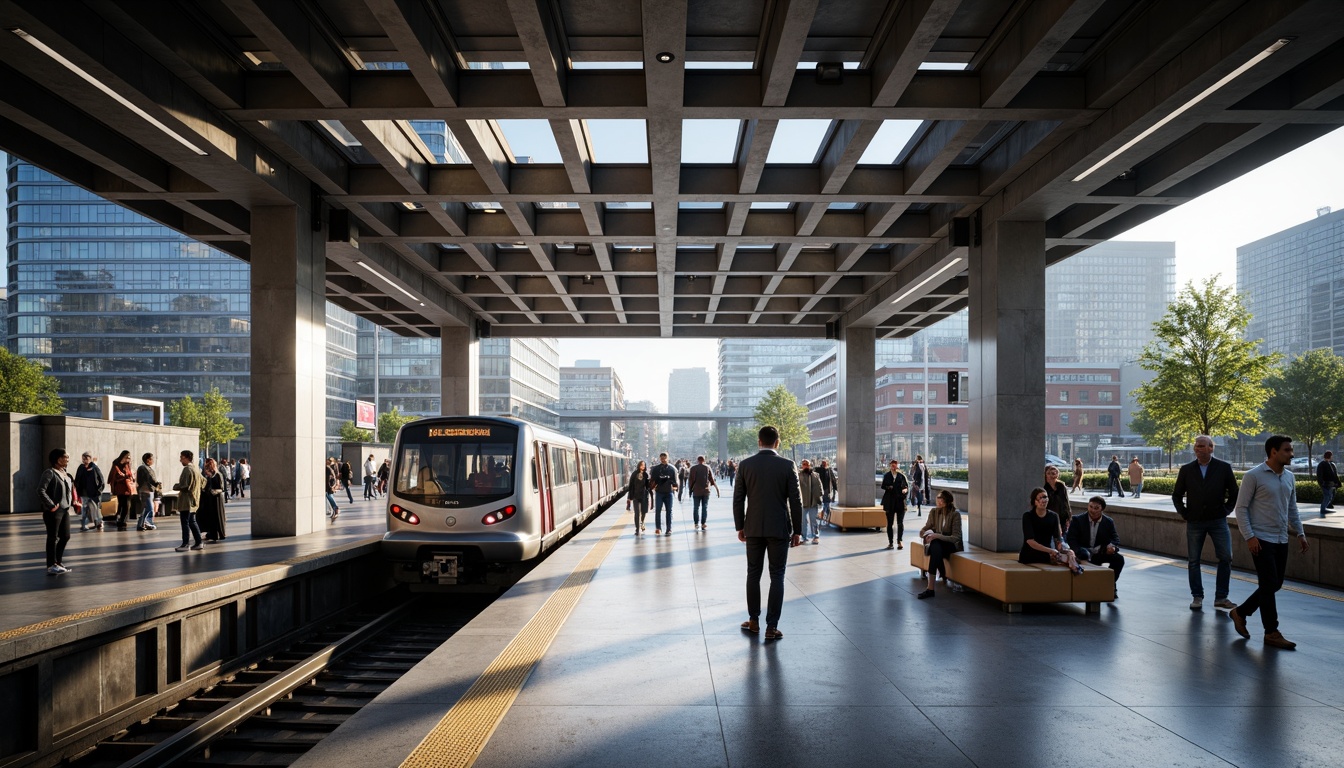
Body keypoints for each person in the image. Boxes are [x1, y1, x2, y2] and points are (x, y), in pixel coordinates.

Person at [1229, 435, 1310, 649]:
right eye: (1287, 450)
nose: (1291, 454)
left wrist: (1300, 533)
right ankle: (1271, 631)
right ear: (1273, 452)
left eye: (1291, 450)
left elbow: (1292, 508)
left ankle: (1241, 612)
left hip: (1281, 538)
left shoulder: (1289, 477)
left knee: (1275, 584)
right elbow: (1241, 508)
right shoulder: (1253, 476)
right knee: (1268, 584)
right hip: (1261, 539)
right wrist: (1250, 537)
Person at [734, 425, 803, 641]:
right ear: (778, 442)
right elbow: (796, 500)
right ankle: (772, 627)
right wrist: (798, 530)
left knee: (753, 574)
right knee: (777, 576)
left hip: (753, 528)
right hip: (779, 528)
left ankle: (753, 621)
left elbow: (738, 499)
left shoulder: (745, 465)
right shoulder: (787, 465)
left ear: (758, 441)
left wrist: (740, 526)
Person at [1172, 435, 1238, 611]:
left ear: (1211, 448)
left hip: (1218, 520)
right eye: (1196, 446)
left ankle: (1221, 597)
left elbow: (1234, 493)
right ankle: (1197, 596)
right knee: (1193, 560)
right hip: (1194, 521)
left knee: (1226, 557)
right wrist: (1185, 513)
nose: (1197, 449)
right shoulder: (1186, 469)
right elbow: (1177, 495)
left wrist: (1226, 510)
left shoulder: (1224, 468)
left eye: (1201, 446)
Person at [1067, 497, 1124, 594]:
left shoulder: (1108, 521)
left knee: (1119, 559)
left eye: (1096, 508)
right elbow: (1071, 539)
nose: (1092, 510)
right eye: (1090, 507)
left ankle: (1110, 583)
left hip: (1099, 552)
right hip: (1082, 553)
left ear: (1102, 509)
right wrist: (1077, 551)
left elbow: (1115, 538)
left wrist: (1112, 546)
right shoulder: (1077, 520)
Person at [1019, 486, 1082, 573]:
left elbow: (1057, 539)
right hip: (1031, 553)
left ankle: (1073, 565)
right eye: (1041, 498)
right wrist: (1051, 550)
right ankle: (1073, 565)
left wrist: (1066, 551)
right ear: (1035, 501)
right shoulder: (1028, 516)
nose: (1044, 500)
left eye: (1045, 497)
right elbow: (1030, 541)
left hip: (1048, 553)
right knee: (1059, 557)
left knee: (1071, 554)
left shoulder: (1053, 516)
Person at [917, 489, 963, 598]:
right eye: (938, 498)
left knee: (935, 544)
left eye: (941, 499)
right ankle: (930, 588)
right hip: (937, 545)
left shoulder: (955, 514)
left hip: (950, 545)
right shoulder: (934, 512)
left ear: (947, 501)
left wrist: (937, 536)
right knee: (935, 546)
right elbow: (924, 530)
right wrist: (926, 535)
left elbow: (956, 538)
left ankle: (932, 587)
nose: (938, 501)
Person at [38, 448, 75, 574]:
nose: (68, 459)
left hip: (65, 510)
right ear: (58, 459)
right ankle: (51, 565)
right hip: (54, 510)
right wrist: (51, 504)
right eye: (66, 457)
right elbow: (40, 490)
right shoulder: (50, 473)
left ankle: (58, 562)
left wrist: (73, 502)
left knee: (65, 536)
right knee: (52, 537)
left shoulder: (66, 474)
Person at [172, 450, 204, 552]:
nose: (180, 460)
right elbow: (204, 482)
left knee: (185, 522)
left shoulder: (187, 469)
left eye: (181, 457)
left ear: (186, 458)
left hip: (186, 500)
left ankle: (185, 544)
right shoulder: (196, 469)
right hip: (194, 500)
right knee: (192, 521)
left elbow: (184, 485)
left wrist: (176, 486)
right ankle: (199, 542)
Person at [880, 460, 910, 550]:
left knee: (900, 523)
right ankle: (891, 542)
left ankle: (899, 541)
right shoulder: (887, 476)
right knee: (890, 523)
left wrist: (905, 490)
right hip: (889, 502)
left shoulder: (901, 476)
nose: (894, 467)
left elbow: (906, 487)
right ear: (890, 466)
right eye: (892, 466)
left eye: (895, 465)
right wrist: (888, 487)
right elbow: (883, 486)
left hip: (900, 501)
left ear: (897, 466)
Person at [74, 451, 105, 532]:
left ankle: (99, 522)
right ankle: (84, 525)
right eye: (83, 459)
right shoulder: (81, 468)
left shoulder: (95, 468)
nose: (85, 460)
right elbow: (77, 479)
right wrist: (77, 488)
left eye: (87, 458)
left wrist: (99, 491)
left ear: (90, 459)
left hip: (94, 493)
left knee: (96, 508)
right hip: (84, 492)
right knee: (85, 508)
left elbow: (101, 480)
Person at [198, 458, 228, 542]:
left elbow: (221, 488)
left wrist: (213, 491)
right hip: (209, 499)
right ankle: (212, 533)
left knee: (216, 516)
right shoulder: (208, 475)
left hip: (216, 499)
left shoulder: (218, 475)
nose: (206, 468)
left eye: (208, 466)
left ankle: (217, 533)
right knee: (210, 517)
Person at [650, 452, 678, 536]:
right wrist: (652, 486)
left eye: (665, 457)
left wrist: (675, 487)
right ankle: (658, 528)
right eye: (662, 457)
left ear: (667, 458)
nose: (663, 459)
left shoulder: (671, 469)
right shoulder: (656, 469)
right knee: (658, 510)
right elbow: (652, 480)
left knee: (669, 511)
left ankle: (669, 529)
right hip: (659, 492)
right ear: (659, 458)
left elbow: (674, 481)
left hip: (669, 492)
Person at [108, 450, 137, 530]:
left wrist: (131, 476)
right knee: (122, 504)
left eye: (129, 458)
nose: (129, 459)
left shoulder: (127, 464)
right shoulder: (116, 463)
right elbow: (114, 474)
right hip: (119, 487)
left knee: (126, 505)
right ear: (124, 456)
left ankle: (122, 520)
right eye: (128, 457)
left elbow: (130, 474)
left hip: (127, 487)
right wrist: (125, 476)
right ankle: (120, 520)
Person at [689, 455, 719, 531]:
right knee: (704, 507)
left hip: (696, 491)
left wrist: (690, 490)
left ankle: (696, 523)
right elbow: (712, 479)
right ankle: (703, 523)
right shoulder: (707, 467)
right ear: (704, 460)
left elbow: (691, 481)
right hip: (706, 491)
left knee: (696, 507)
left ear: (697, 460)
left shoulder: (693, 468)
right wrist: (717, 489)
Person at [797, 459, 823, 544]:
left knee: (813, 520)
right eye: (804, 464)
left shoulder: (815, 475)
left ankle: (816, 536)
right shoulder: (798, 475)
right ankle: (804, 537)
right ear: (802, 465)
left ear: (809, 465)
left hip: (813, 502)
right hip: (803, 502)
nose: (805, 466)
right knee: (803, 521)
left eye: (807, 464)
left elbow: (820, 486)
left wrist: (820, 496)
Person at [136, 452, 161, 531]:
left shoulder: (146, 467)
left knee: (146, 508)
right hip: (145, 490)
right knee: (148, 508)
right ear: (148, 460)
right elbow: (150, 478)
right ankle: (145, 523)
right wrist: (157, 483)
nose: (153, 460)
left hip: (148, 490)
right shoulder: (144, 468)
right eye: (152, 459)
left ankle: (143, 523)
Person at [1043, 465, 1071, 534]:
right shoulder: (1045, 488)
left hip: (1062, 517)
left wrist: (1068, 517)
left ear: (1057, 475)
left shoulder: (1061, 486)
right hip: (1050, 518)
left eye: (1053, 473)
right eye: (1049, 473)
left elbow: (1066, 502)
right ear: (1045, 475)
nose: (1051, 476)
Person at [626, 460, 651, 533]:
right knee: (637, 512)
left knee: (644, 512)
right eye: (641, 465)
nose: (643, 466)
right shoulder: (634, 474)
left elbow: (648, 486)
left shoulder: (646, 475)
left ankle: (642, 522)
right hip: (635, 496)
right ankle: (637, 528)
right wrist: (629, 497)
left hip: (644, 495)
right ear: (638, 465)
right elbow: (630, 486)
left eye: (644, 465)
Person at [1316, 450, 1338, 518]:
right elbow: (1319, 474)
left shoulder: (1330, 464)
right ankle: (1323, 509)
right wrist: (1321, 483)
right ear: (1330, 456)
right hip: (1326, 484)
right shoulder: (1323, 464)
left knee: (1330, 496)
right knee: (1327, 496)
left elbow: (1333, 474)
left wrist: (1336, 483)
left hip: (1330, 484)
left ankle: (1324, 508)